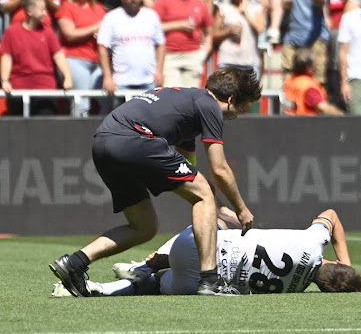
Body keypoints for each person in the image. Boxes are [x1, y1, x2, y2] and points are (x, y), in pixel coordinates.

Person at [49, 66, 262, 297]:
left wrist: (218, 206)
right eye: (240, 110)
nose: (236, 117)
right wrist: (241, 210)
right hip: (134, 137)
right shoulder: (209, 104)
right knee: (203, 195)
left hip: (102, 143)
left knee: (144, 227)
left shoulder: (186, 103)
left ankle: (74, 263)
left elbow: (192, 177)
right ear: (231, 99)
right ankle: (210, 281)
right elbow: (219, 169)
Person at [52, 208, 361, 296]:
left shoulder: (313, 242)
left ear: (336, 262)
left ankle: (146, 265)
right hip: (200, 283)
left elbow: (331, 215)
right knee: (156, 287)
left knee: (215, 218)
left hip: (197, 251)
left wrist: (347, 261)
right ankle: (100, 290)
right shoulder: (295, 291)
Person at [0, 0, 72, 116]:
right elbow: (7, 58)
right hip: (18, 88)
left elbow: (58, 56)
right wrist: (5, 80)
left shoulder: (48, 32)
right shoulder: (12, 32)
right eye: (42, 9)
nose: (45, 13)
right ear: (30, 11)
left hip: (45, 88)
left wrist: (67, 77)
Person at [98, 0, 165, 96]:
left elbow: (161, 44)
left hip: (148, 81)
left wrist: (159, 71)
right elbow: (102, 46)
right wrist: (108, 76)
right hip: (121, 83)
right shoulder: (111, 17)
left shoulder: (151, 16)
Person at [56, 0, 107, 117]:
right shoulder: (67, 7)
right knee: (82, 101)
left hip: (97, 61)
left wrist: (100, 33)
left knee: (106, 100)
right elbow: (69, 34)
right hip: (74, 59)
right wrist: (94, 28)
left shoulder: (100, 9)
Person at [154, 0, 212, 89]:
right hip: (170, 55)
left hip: (193, 54)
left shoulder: (198, 4)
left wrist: (204, 52)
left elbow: (209, 31)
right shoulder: (165, 0)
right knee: (172, 92)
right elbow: (153, 26)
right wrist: (179, 25)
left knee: (191, 94)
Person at [210, 0, 264, 79]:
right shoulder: (224, 8)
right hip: (228, 60)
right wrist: (228, 31)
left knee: (249, 95)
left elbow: (260, 29)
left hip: (249, 62)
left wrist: (246, 13)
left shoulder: (256, 8)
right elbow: (214, 35)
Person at [283, 48, 342, 115]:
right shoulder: (309, 87)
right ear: (309, 69)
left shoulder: (289, 81)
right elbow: (323, 108)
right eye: (316, 64)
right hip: (307, 123)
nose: (317, 66)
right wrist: (341, 115)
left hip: (290, 121)